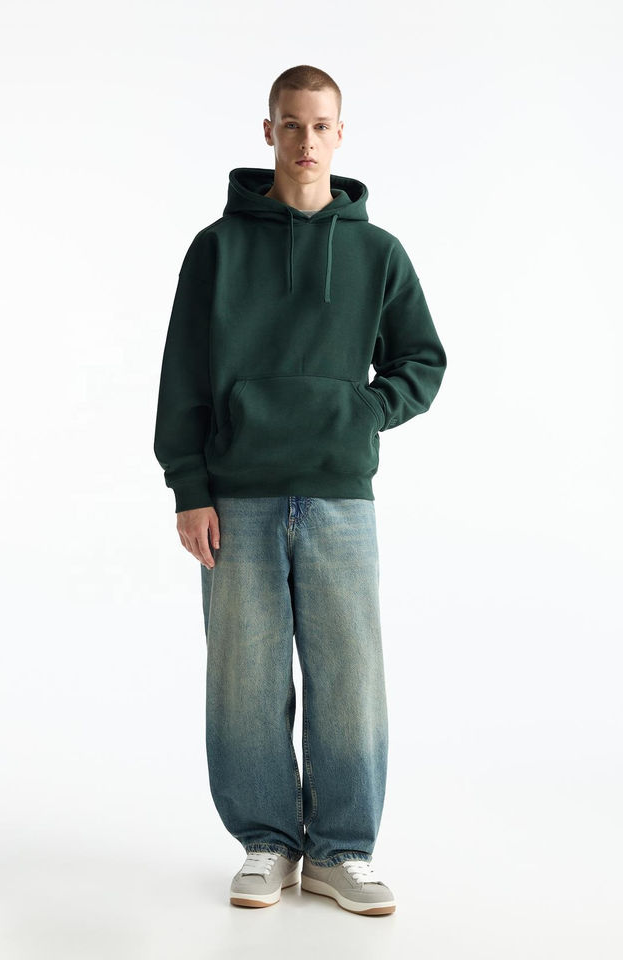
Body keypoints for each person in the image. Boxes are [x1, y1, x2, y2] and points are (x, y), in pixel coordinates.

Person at [153, 64, 447, 915]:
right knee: (243, 679)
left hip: (339, 495)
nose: (306, 141)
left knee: (349, 677)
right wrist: (189, 487)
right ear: (269, 131)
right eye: (291, 124)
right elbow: (183, 374)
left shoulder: (377, 252)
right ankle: (267, 843)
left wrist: (361, 414)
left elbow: (422, 360)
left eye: (321, 126)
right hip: (235, 497)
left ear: (340, 134)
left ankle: (342, 851)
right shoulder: (216, 248)